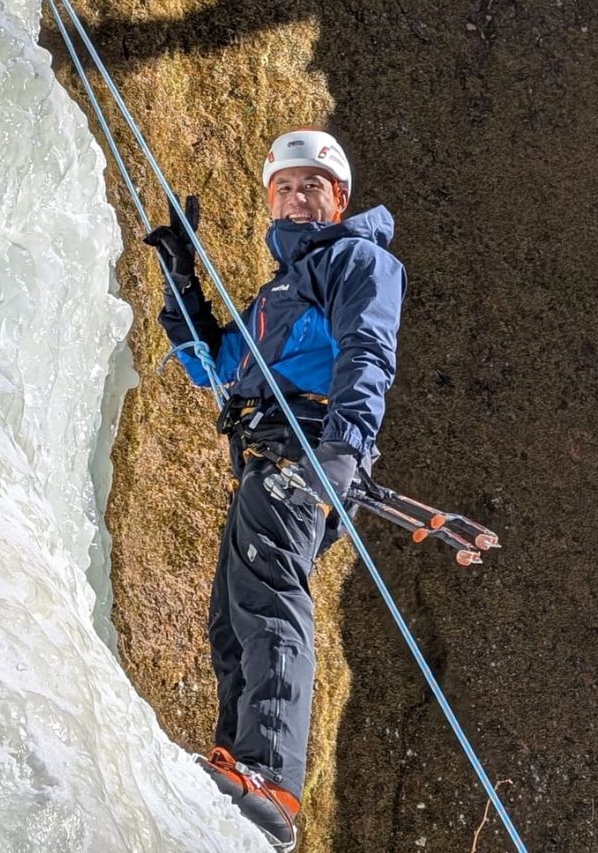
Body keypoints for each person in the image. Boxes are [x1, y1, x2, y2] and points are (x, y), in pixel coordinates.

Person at [143, 128, 406, 850]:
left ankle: (272, 782)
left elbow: (368, 353)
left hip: (308, 449)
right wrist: (182, 280)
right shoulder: (277, 294)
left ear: (339, 198)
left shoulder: (357, 260)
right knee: (231, 620)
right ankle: (237, 769)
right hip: (265, 456)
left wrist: (346, 451)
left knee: (266, 597)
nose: (296, 198)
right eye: (284, 187)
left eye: (311, 187)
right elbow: (212, 365)